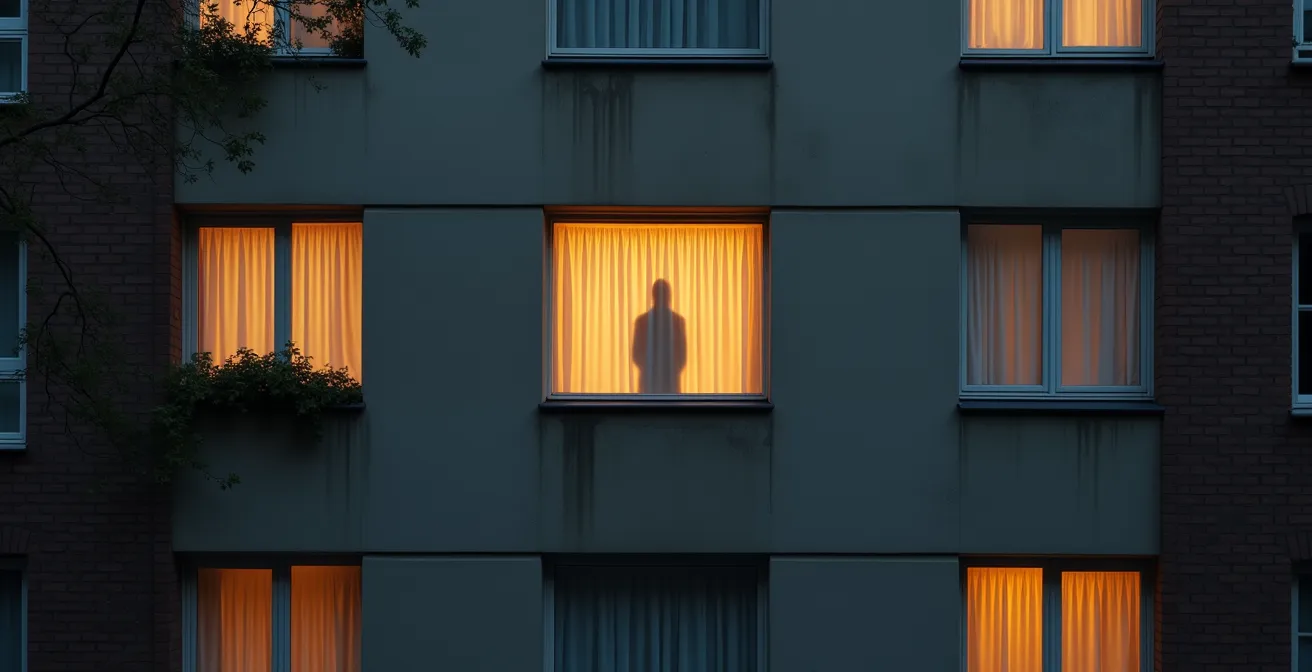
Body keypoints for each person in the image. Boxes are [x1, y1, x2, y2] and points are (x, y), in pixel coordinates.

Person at [631, 279, 687, 394]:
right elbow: (636, 354)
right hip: (661, 385)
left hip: (658, 385)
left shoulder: (642, 321)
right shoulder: (677, 321)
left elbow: (682, 356)